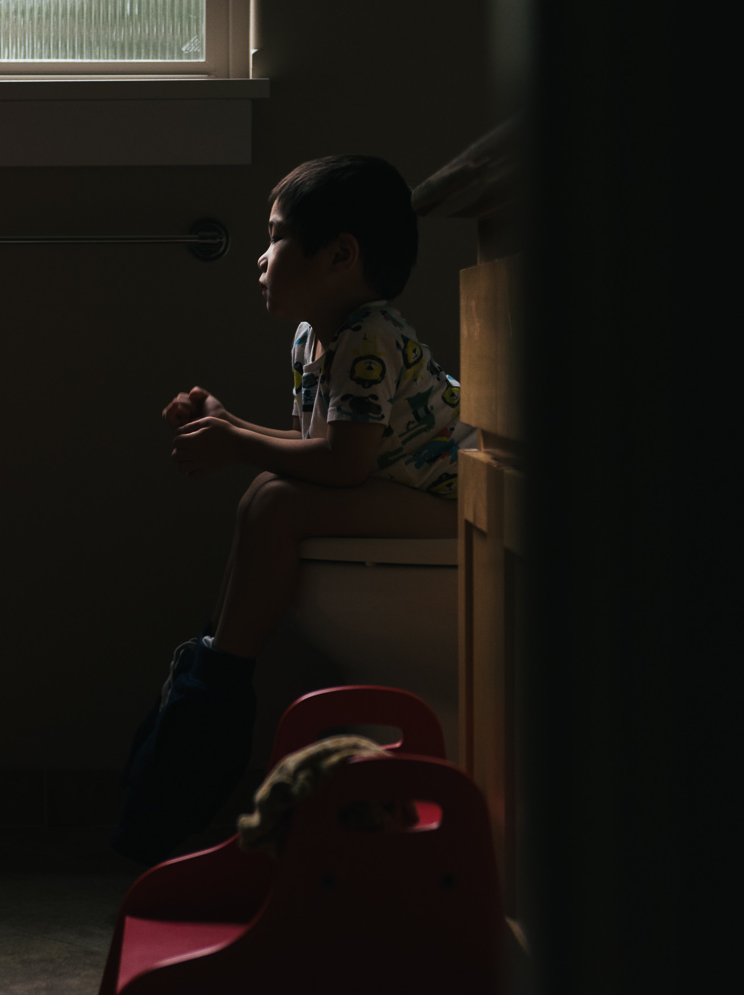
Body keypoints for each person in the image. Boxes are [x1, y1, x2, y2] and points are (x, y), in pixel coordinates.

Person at [111, 155, 474, 864]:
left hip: (454, 505)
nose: (260, 257)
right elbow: (323, 448)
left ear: (340, 255)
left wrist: (238, 441)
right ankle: (215, 664)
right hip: (402, 493)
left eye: (275, 237)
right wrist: (232, 425)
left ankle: (214, 681)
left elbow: (343, 465)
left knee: (274, 501)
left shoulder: (368, 334)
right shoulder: (317, 335)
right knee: (268, 494)